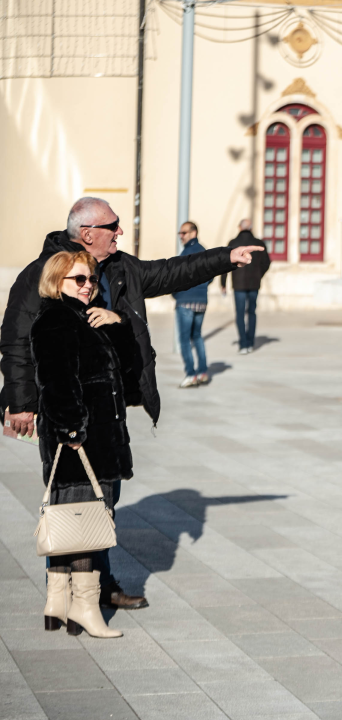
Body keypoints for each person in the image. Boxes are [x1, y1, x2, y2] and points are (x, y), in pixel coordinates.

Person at [1, 197, 263, 609]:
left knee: (104, 498)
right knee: (70, 500)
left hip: (107, 407)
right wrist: (19, 403)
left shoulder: (120, 267)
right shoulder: (44, 272)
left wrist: (225, 258)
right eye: (113, 225)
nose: (119, 231)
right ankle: (68, 594)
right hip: (67, 409)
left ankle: (97, 586)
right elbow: (16, 339)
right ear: (88, 233)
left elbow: (171, 271)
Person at [33, 251, 142, 638]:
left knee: (74, 521)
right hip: (82, 444)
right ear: (56, 282)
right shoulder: (57, 320)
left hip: (96, 440)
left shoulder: (86, 317)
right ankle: (85, 607)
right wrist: (73, 432)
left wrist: (118, 324)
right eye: (78, 280)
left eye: (91, 280)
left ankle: (58, 602)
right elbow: (56, 383)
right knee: (85, 526)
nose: (87, 286)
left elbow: (129, 374)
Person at [220, 219, 271, 355]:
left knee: (240, 314)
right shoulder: (259, 243)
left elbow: (225, 264)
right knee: (252, 313)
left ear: (239, 227)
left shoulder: (233, 243)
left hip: (239, 284)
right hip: (254, 283)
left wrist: (223, 283)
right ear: (251, 228)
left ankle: (243, 344)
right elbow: (266, 263)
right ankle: (251, 343)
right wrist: (259, 275)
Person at [173, 222, 210, 388]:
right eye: (180, 233)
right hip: (201, 301)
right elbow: (211, 274)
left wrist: (176, 294)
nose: (181, 236)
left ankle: (191, 374)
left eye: (184, 233)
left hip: (186, 301)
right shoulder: (204, 251)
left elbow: (176, 277)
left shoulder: (186, 253)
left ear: (193, 233)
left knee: (184, 340)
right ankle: (203, 372)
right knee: (197, 336)